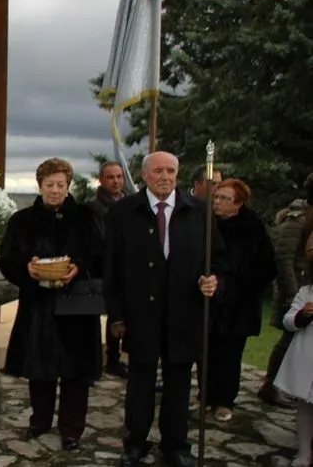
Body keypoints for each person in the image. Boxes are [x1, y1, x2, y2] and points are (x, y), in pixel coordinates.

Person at [104, 151, 225, 467]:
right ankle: (135, 443)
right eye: (158, 171)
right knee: (140, 382)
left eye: (171, 171)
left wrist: (213, 279)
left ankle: (176, 445)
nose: (165, 177)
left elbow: (219, 259)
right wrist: (116, 315)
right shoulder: (122, 212)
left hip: (184, 313)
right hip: (140, 313)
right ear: (144, 175)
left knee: (179, 382)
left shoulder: (199, 212)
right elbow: (111, 268)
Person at [0, 157, 103, 451]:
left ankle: (71, 430)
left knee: (75, 373)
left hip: (77, 307)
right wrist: (27, 268)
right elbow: (6, 259)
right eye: (50, 184)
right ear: (40, 185)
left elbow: (101, 254)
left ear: (68, 186)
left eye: (61, 185)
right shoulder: (21, 221)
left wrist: (78, 268)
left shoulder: (86, 216)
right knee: (40, 369)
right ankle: (40, 421)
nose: (55, 190)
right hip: (38, 305)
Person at [195, 179, 276, 421]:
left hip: (238, 304)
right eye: (216, 197)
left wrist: (239, 284)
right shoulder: (208, 225)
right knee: (205, 353)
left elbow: (267, 267)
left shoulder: (253, 228)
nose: (217, 202)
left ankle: (224, 401)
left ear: (238, 204)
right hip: (209, 300)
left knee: (229, 355)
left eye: (224, 198)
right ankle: (205, 396)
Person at [260, 187, 312, 407]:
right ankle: (270, 385)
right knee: (288, 339)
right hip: (296, 287)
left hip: (306, 285)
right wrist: (292, 293)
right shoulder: (298, 220)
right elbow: (284, 258)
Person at [85, 161, 128, 378]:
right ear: (102, 180)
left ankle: (117, 358)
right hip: (105, 267)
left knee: (122, 314)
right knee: (109, 313)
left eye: (119, 176)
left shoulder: (130, 203)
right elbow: (99, 239)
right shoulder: (94, 207)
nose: (116, 181)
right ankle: (105, 360)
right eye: (111, 177)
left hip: (129, 267)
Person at [272, 283, 313, 467]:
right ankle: (304, 454)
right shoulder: (307, 292)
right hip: (309, 362)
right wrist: (302, 315)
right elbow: (288, 321)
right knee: (305, 409)